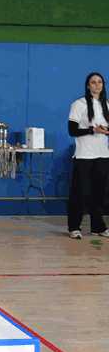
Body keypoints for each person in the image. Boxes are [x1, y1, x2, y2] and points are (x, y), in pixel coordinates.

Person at [67, 72, 109, 239]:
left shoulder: (107, 104)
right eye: (93, 82)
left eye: (100, 82)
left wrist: (104, 130)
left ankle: (98, 227)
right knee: (80, 192)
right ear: (88, 85)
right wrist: (93, 130)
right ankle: (74, 227)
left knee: (100, 193)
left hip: (103, 155)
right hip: (84, 155)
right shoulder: (79, 104)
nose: (97, 85)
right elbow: (72, 130)